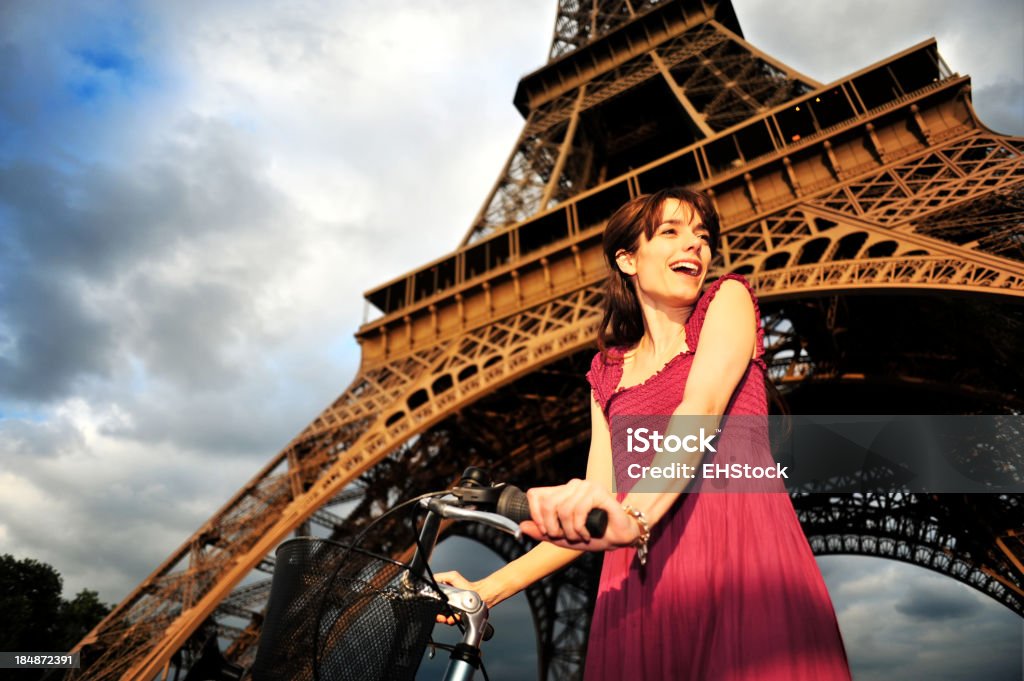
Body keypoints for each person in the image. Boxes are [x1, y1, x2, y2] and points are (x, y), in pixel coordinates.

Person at [436, 188, 851, 680]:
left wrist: (635, 517)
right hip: (638, 584)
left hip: (740, 556)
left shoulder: (727, 300)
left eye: (702, 235)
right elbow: (595, 507)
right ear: (628, 259)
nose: (694, 245)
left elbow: (701, 407)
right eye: (671, 232)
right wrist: (485, 591)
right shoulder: (606, 373)